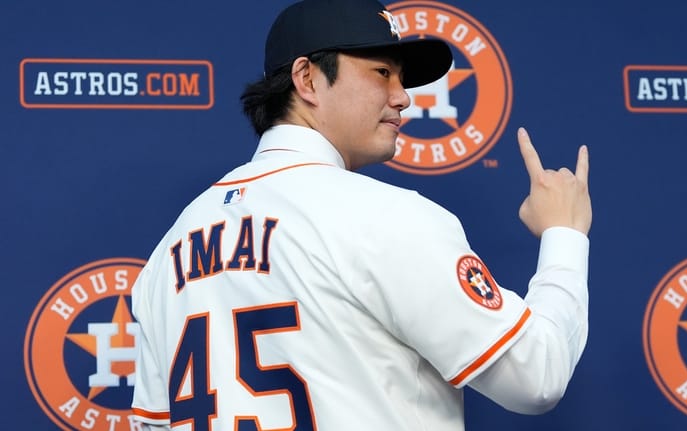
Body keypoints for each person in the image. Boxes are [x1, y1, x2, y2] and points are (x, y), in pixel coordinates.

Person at [130, 0, 592, 429]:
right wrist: (564, 235)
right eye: (381, 73)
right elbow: (536, 375)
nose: (403, 97)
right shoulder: (387, 216)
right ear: (307, 79)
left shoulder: (168, 252)